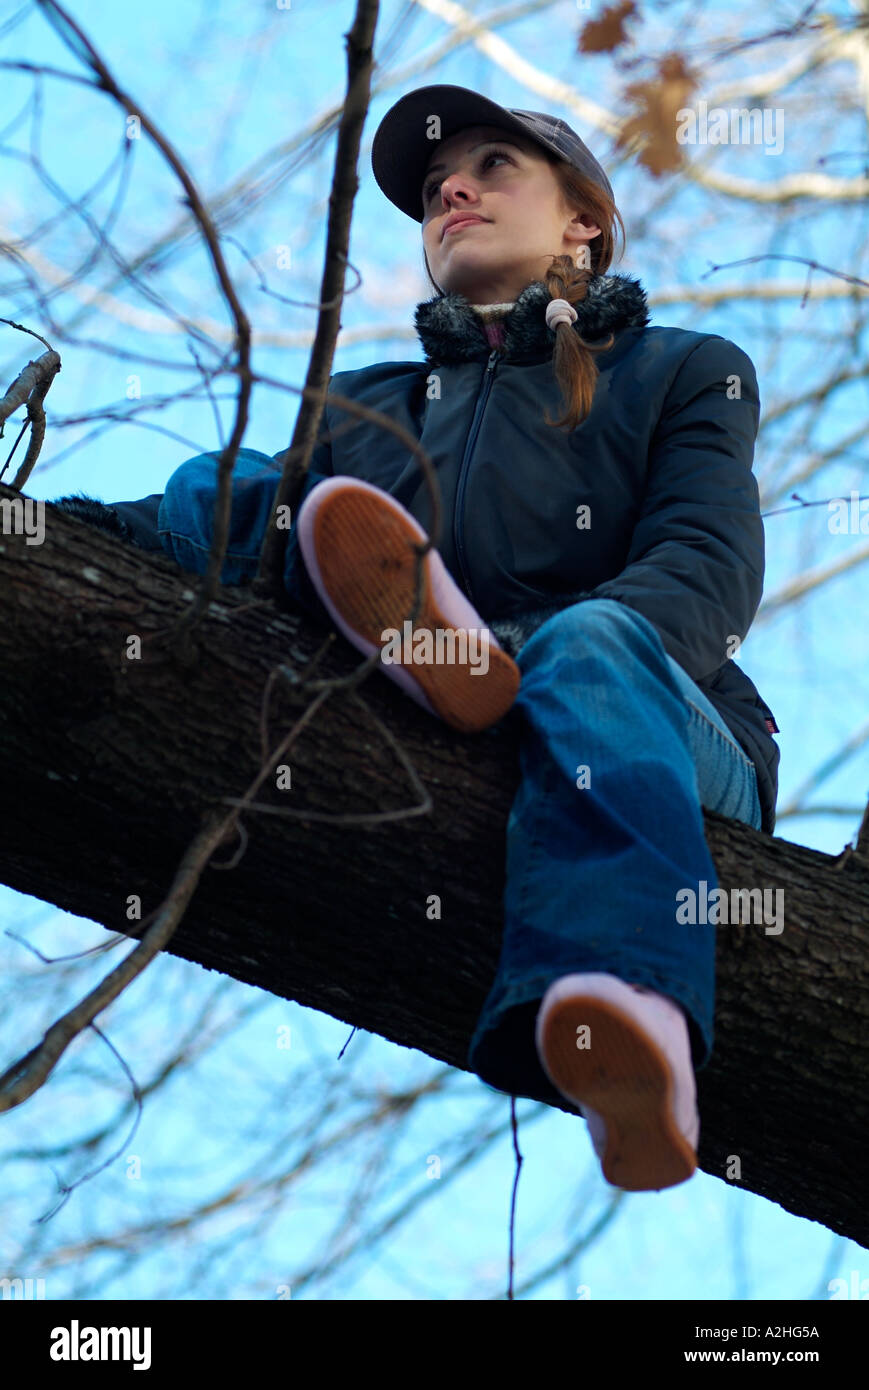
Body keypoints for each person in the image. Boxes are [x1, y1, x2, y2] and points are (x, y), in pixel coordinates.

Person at [51, 84, 780, 1193]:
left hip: (662, 733)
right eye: (439, 183)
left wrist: (511, 654)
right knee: (226, 484)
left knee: (589, 642)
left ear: (581, 220)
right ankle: (421, 639)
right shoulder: (364, 409)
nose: (450, 187)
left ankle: (632, 1019)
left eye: (494, 167)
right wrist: (47, 529)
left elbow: (705, 576)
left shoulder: (683, 369)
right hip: (442, 687)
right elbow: (159, 531)